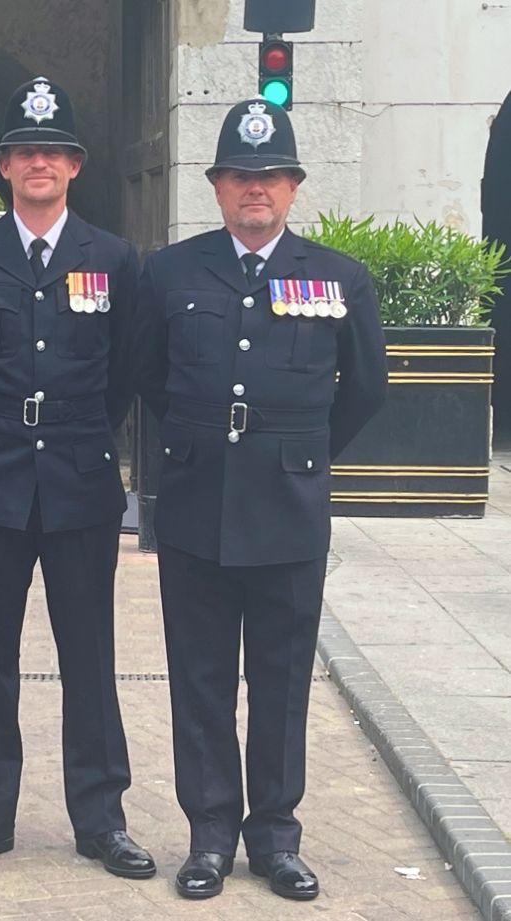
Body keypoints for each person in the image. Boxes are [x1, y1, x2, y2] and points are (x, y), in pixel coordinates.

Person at [134, 99, 387, 901]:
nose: (256, 188)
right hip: (196, 504)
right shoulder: (170, 273)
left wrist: (300, 455)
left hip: (287, 507)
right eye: (241, 176)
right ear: (216, 186)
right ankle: (209, 835)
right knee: (200, 678)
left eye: (271, 175)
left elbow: (366, 387)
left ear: (294, 187)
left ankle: (275, 836)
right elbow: (148, 374)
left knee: (280, 681)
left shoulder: (339, 277)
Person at [0, 77, 155, 879]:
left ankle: (101, 818)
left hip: (79, 480)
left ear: (75, 165)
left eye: (53, 152)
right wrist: (3, 423)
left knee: (89, 655)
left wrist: (75, 428)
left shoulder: (113, 259)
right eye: (25, 151)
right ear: (3, 164)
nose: (39, 164)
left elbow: (125, 370)